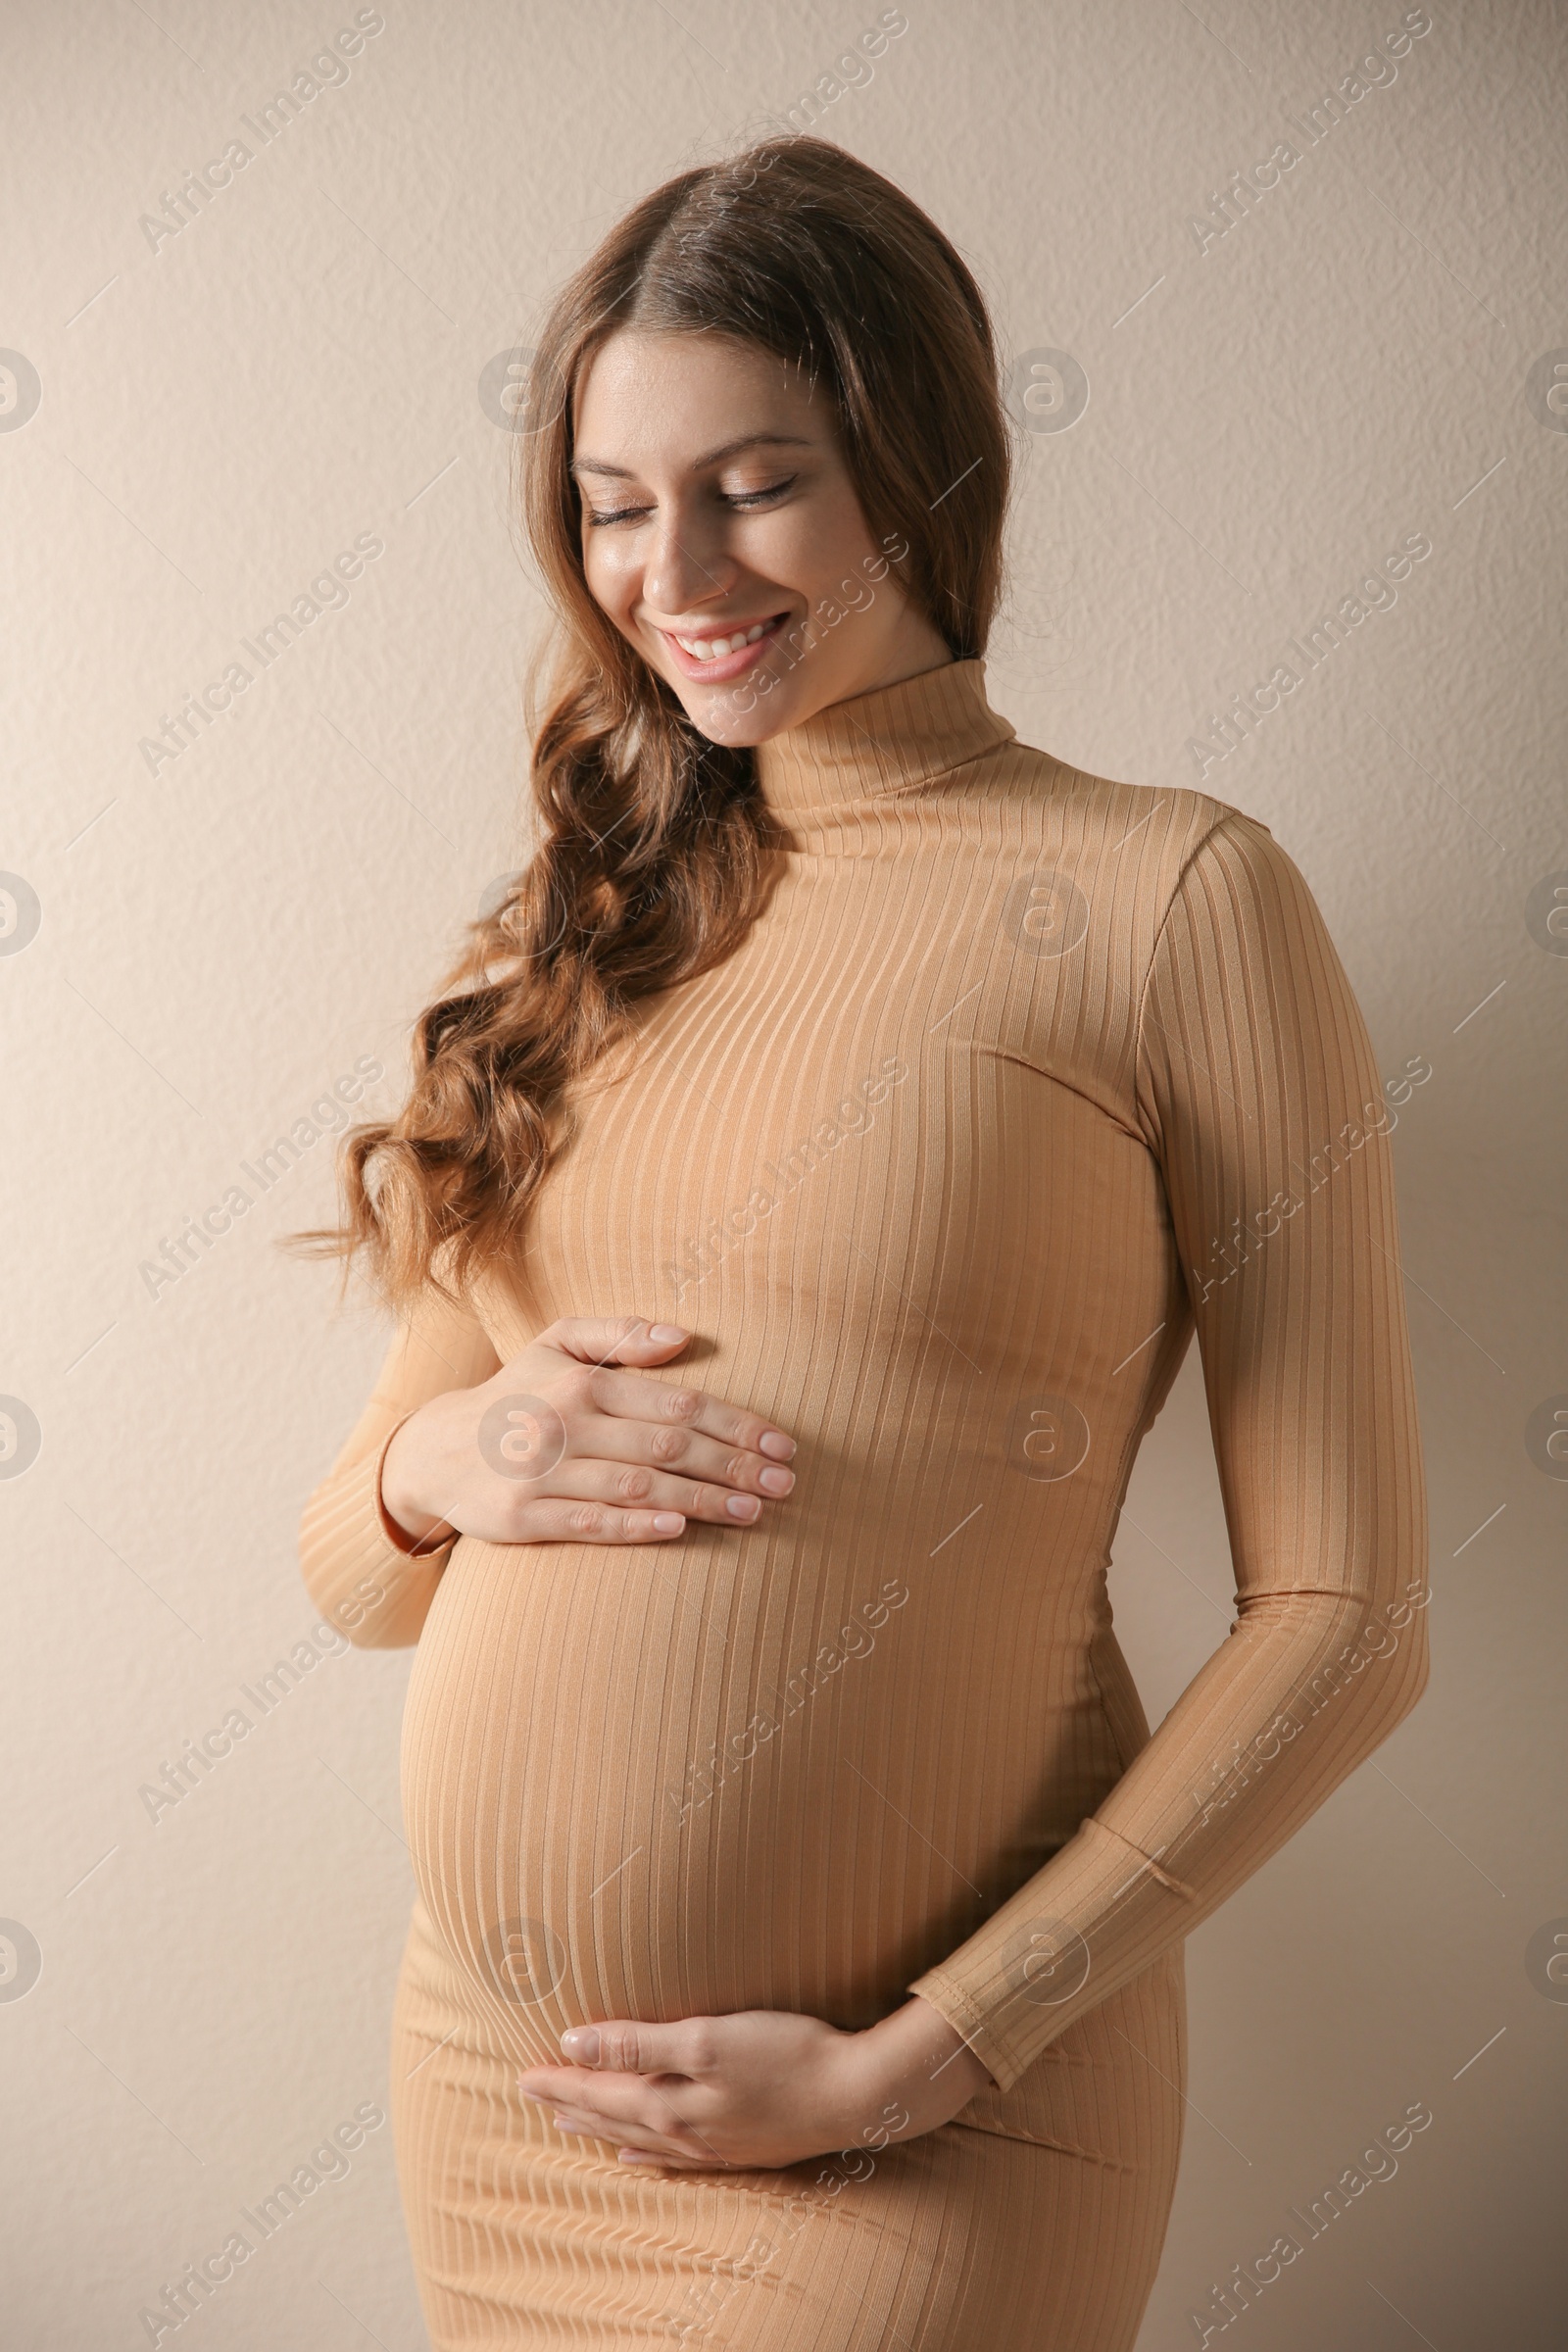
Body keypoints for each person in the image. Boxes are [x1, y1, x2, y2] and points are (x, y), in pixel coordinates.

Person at [296, 133, 1429, 2352]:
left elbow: (1348, 1616)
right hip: (504, 2103)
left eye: (755, 484)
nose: (673, 568)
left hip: (929, 2126)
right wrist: (450, 1469)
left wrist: (919, 2055)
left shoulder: (1168, 898)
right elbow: (350, 1568)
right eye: (614, 505)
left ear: (917, 466)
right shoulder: (577, 938)